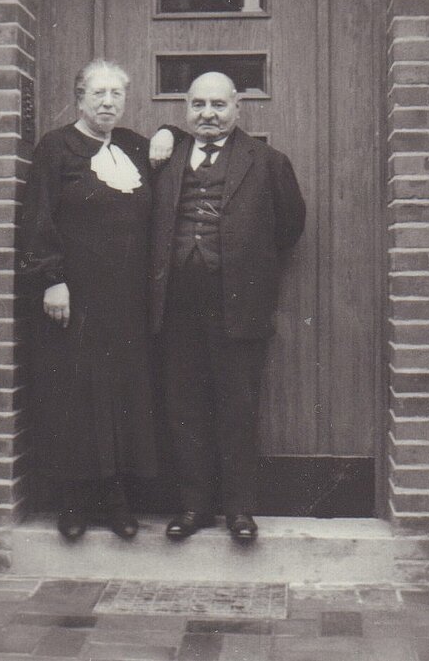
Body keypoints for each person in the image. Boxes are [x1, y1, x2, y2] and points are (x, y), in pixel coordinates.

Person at [149, 72, 306, 542]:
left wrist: (243, 263)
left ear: (238, 107)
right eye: (198, 104)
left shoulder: (268, 162)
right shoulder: (164, 156)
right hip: (175, 307)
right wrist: (163, 132)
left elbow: (290, 226)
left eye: (219, 104)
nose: (209, 114)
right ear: (185, 109)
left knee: (238, 408)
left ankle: (240, 511)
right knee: (184, 408)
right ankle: (194, 508)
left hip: (237, 306)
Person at [21, 59, 172, 541]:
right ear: (79, 97)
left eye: (116, 95)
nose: (108, 103)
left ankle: (115, 501)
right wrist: (52, 278)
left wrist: (168, 129)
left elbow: (183, 145)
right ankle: (72, 502)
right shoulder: (56, 147)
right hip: (73, 299)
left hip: (125, 300)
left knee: (121, 397)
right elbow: (38, 215)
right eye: (98, 94)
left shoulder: (132, 145)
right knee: (76, 397)